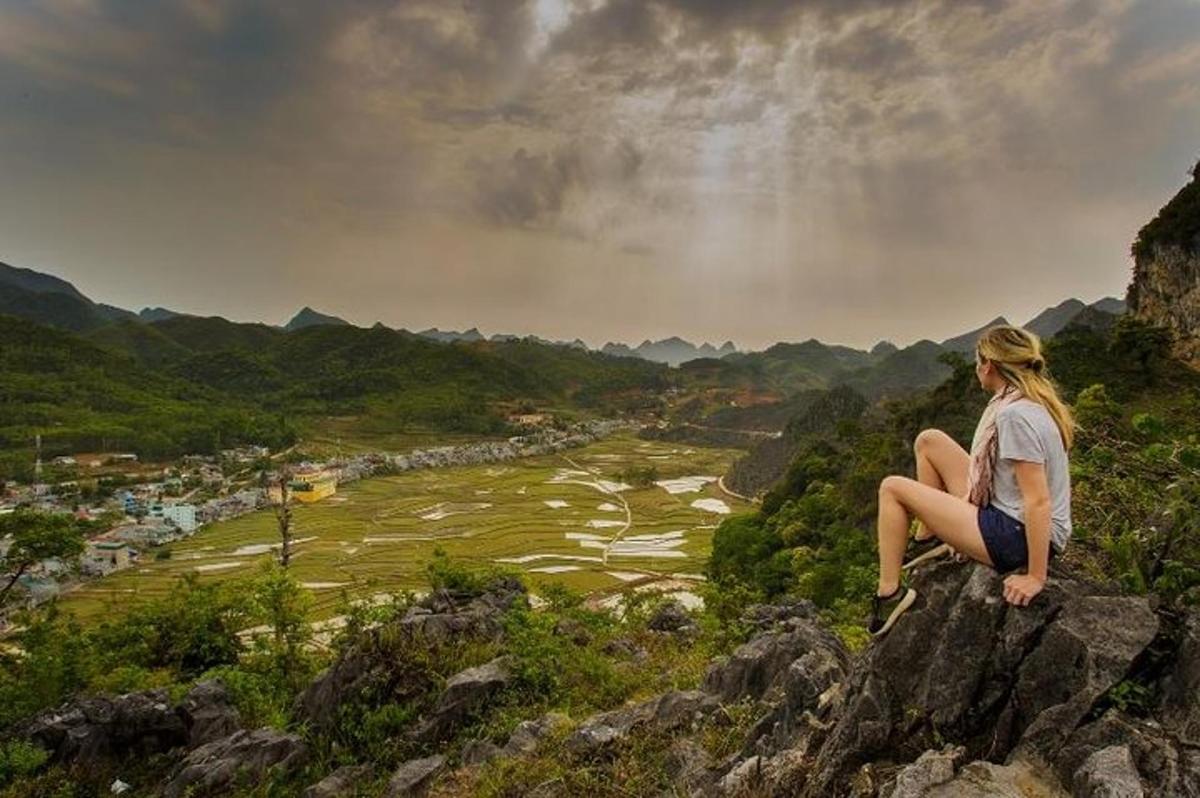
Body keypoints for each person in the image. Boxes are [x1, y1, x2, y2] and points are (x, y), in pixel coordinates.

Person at [867, 325, 1075, 636]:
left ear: (989, 365)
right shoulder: (1023, 402)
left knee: (892, 488)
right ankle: (930, 537)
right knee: (929, 440)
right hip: (1008, 513)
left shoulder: (1014, 415)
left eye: (978, 361)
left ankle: (889, 593)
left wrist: (1035, 576)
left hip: (1016, 535)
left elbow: (1038, 500)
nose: (977, 368)